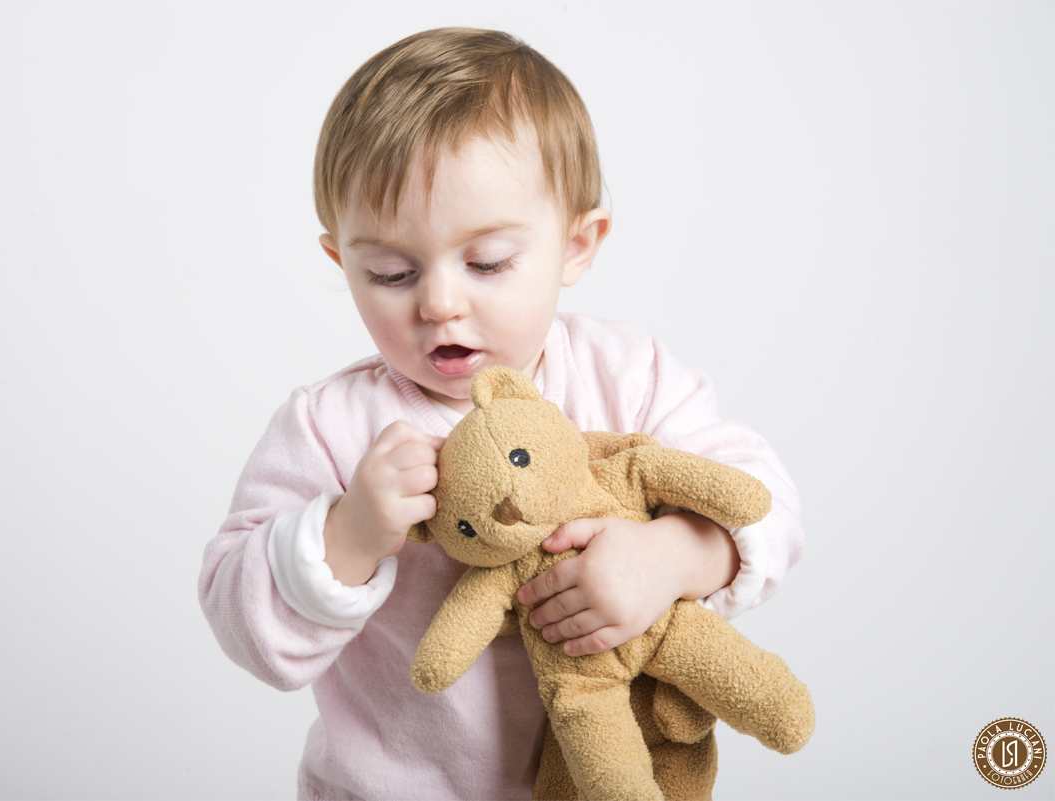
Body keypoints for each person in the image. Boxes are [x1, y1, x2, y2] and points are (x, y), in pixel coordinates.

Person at [199, 27, 803, 801]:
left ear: (577, 244)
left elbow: (765, 499)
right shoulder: (330, 426)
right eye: (391, 272)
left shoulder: (629, 377)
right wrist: (345, 535)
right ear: (341, 260)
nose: (440, 302)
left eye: (487, 263)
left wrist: (675, 556)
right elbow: (241, 625)